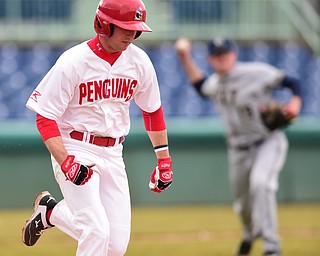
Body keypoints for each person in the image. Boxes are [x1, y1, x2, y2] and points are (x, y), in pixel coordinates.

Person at [22, 0, 174, 255]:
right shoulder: (74, 61)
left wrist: (164, 161)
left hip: (114, 151)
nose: (131, 34)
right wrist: (66, 161)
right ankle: (53, 212)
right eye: (124, 27)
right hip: (75, 145)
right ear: (104, 24)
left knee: (115, 247)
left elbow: (152, 111)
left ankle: (51, 212)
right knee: (96, 230)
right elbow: (45, 118)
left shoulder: (139, 61)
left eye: (135, 28)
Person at [174, 36, 302, 256]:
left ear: (234, 54)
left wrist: (294, 106)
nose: (222, 58)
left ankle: (272, 247)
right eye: (217, 55)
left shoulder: (255, 72)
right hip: (237, 150)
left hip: (267, 142)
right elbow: (200, 86)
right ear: (210, 59)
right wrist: (185, 58)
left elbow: (292, 83)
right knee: (243, 206)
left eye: (225, 54)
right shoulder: (216, 82)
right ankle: (248, 234)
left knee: (262, 185)